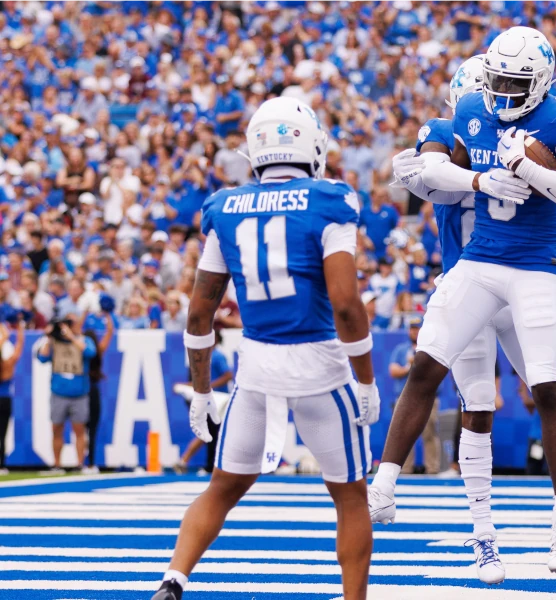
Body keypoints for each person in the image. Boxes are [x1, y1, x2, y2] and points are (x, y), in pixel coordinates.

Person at [370, 26, 556, 573]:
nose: (499, 90)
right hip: (476, 262)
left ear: (541, 83)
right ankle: (383, 484)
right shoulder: (470, 111)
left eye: (512, 81)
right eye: (495, 78)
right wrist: (478, 180)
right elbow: (424, 167)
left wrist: (526, 168)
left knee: (547, 388)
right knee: (427, 364)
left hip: (534, 269)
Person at [151, 97, 379, 600]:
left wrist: (202, 392)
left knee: (223, 487)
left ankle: (173, 579)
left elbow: (198, 313)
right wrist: (365, 378)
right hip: (320, 368)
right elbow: (345, 304)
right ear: (310, 144)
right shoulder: (330, 198)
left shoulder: (223, 206)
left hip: (254, 372)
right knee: (349, 496)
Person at [37, 313, 97, 473]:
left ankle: (80, 464)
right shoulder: (55, 342)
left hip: (79, 393)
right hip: (58, 392)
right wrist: (49, 337)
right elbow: (42, 358)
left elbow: (90, 353)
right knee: (56, 429)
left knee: (79, 429)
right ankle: (57, 464)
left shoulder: (84, 340)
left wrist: (71, 337)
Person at [175, 330, 233, 475]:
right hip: (209, 399)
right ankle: (210, 465)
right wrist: (186, 386)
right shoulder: (202, 357)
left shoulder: (217, 356)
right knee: (211, 432)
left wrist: (208, 387)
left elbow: (228, 375)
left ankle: (195, 461)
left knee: (211, 432)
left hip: (217, 400)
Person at [389, 317, 441, 476]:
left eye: (417, 328)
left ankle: (432, 469)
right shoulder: (400, 349)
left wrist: (418, 365)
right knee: (403, 433)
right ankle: (405, 469)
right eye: (412, 328)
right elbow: (393, 371)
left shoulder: (430, 348)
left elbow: (438, 371)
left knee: (430, 433)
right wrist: (408, 367)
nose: (415, 332)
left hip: (427, 396)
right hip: (404, 397)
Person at [82, 296, 116, 475]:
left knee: (81, 428)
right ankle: (90, 462)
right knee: (91, 429)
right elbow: (110, 331)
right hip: (92, 390)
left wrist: (84, 314)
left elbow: (78, 332)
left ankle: (83, 461)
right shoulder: (97, 350)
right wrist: (107, 315)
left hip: (82, 390)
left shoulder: (82, 349)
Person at [0, 316, 25, 476]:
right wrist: (20, 329)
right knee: (2, 433)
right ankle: (2, 464)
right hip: (4, 400)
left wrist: (3, 338)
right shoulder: (8, 365)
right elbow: (19, 348)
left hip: (4, 400)